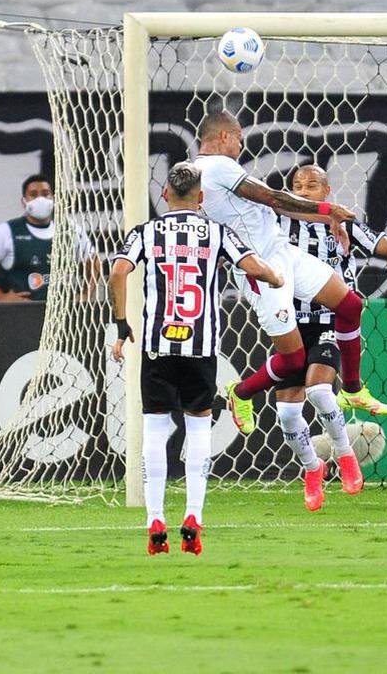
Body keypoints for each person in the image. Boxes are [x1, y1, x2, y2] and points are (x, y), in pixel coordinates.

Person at [192, 111, 387, 511]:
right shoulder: (214, 166)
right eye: (240, 138)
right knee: (294, 362)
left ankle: (351, 389)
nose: (242, 145)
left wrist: (324, 215)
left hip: (283, 253)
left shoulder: (214, 170)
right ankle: (250, 401)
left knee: (350, 304)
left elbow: (279, 209)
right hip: (261, 270)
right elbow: (272, 197)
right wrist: (327, 210)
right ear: (227, 136)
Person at [109, 162, 282, 556]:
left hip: (158, 346)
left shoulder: (146, 233)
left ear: (165, 195)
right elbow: (253, 266)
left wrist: (122, 324)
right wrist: (275, 278)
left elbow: (118, 272)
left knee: (154, 428)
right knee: (199, 427)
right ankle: (193, 516)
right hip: (200, 347)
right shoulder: (217, 232)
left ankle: (154, 518)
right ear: (201, 198)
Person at [273, 164, 387, 507]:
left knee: (320, 390)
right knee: (288, 415)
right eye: (297, 186)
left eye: (312, 186)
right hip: (289, 324)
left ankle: (346, 457)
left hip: (329, 322)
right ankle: (312, 467)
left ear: (327, 192)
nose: (303, 191)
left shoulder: (344, 224)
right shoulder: (276, 225)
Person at [0, 174, 97, 302]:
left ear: (53, 199)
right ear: (24, 201)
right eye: (33, 194)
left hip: (63, 314)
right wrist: (0, 297)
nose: (40, 199)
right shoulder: (8, 231)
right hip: (24, 313)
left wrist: (86, 294)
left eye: (45, 194)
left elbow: (94, 262)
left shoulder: (71, 229)